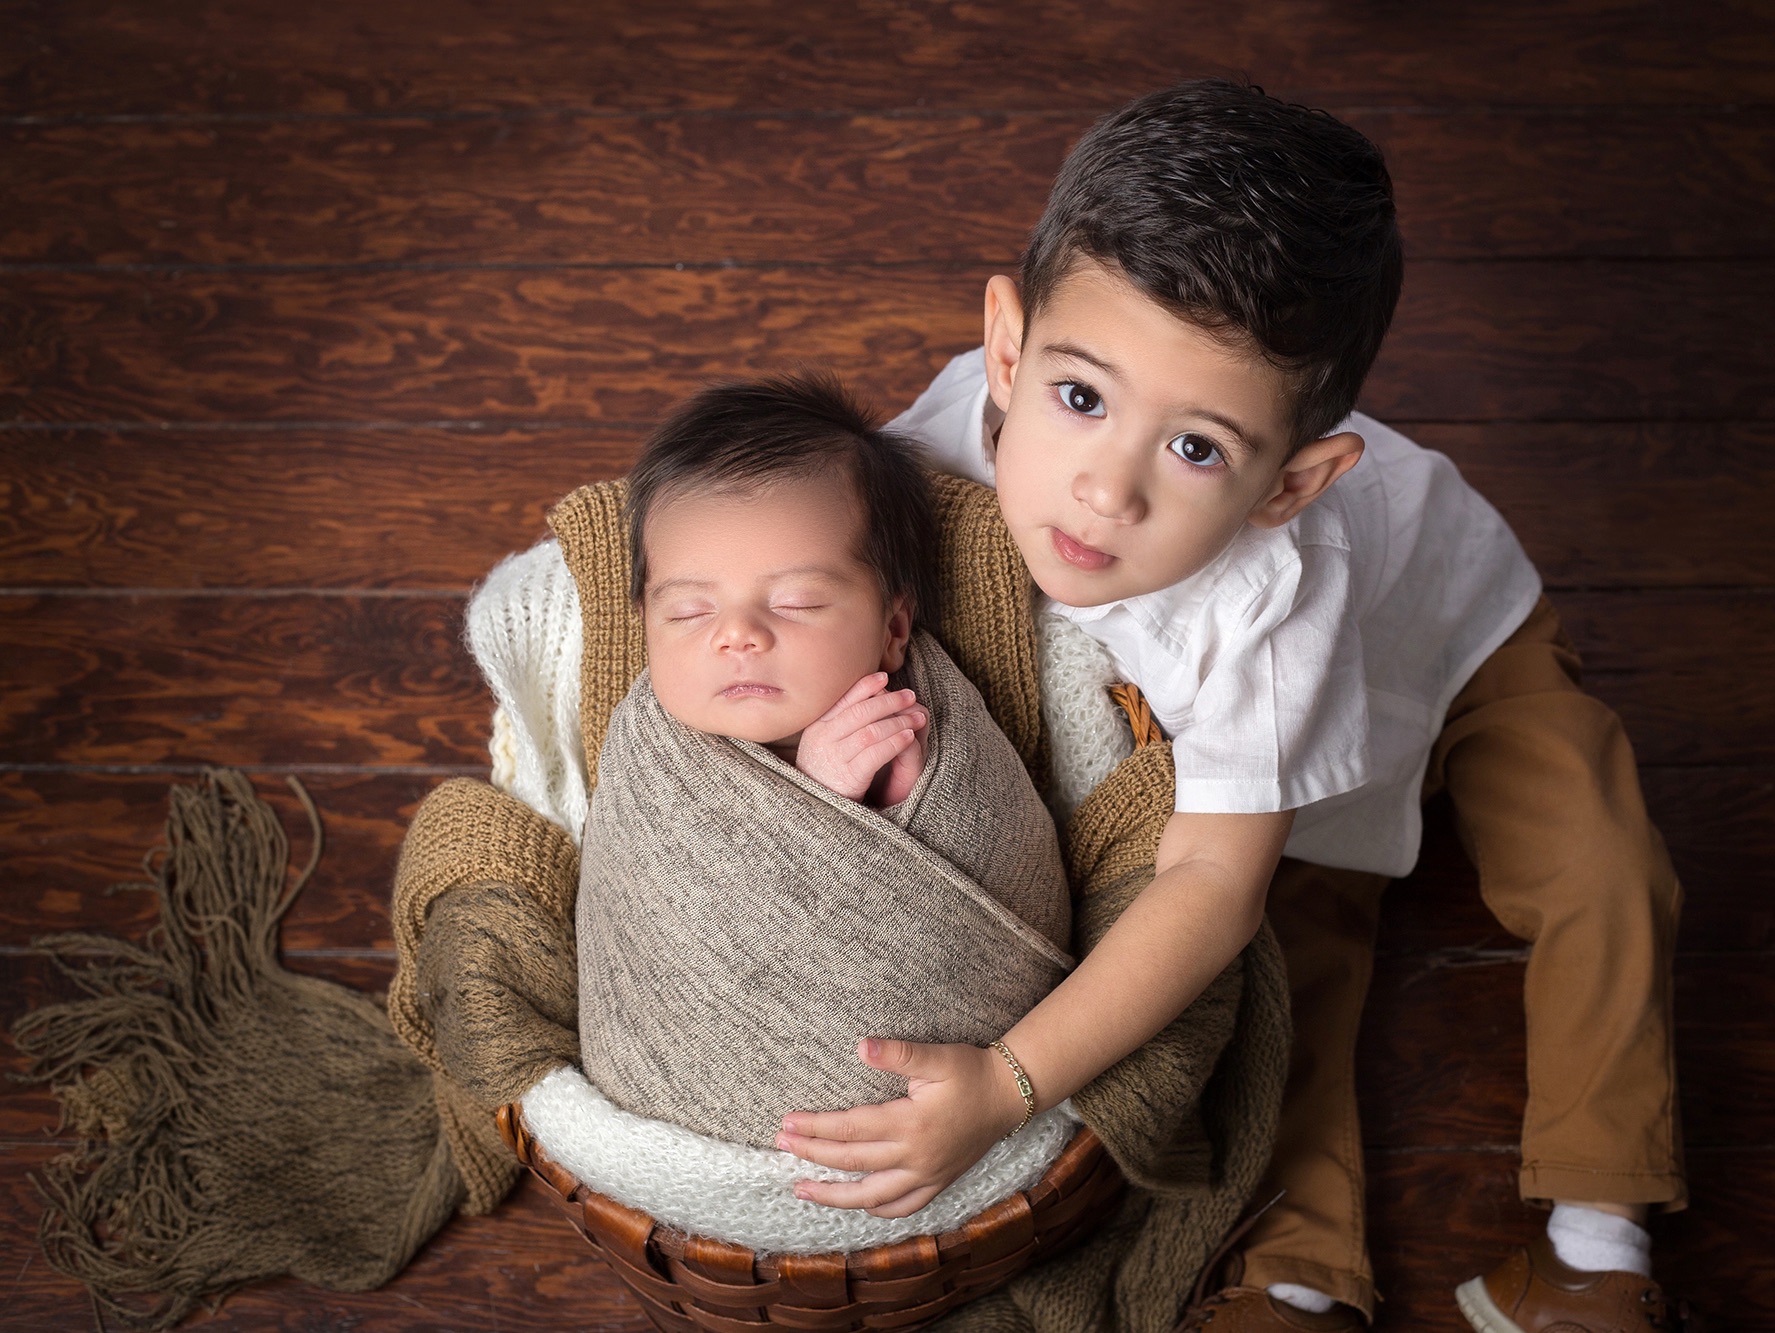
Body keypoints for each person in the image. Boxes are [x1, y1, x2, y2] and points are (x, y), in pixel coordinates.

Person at [772, 81, 1689, 1333]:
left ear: (1291, 482)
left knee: (1599, 864)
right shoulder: (924, 461)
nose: (1105, 492)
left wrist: (1009, 1079)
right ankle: (1297, 1277)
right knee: (1283, 975)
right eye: (1080, 398)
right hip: (1262, 727)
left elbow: (1207, 884)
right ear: (1005, 346)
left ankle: (1596, 1246)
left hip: (1460, 643)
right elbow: (805, 594)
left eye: (1195, 447)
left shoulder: (1267, 595)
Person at [574, 374, 1075, 1165]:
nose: (736, 634)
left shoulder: (913, 721)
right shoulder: (652, 746)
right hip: (678, 1065)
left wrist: (894, 800)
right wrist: (811, 799)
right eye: (688, 610)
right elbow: (648, 896)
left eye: (799, 601)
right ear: (646, 623)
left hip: (920, 1091)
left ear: (892, 627)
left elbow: (988, 856)